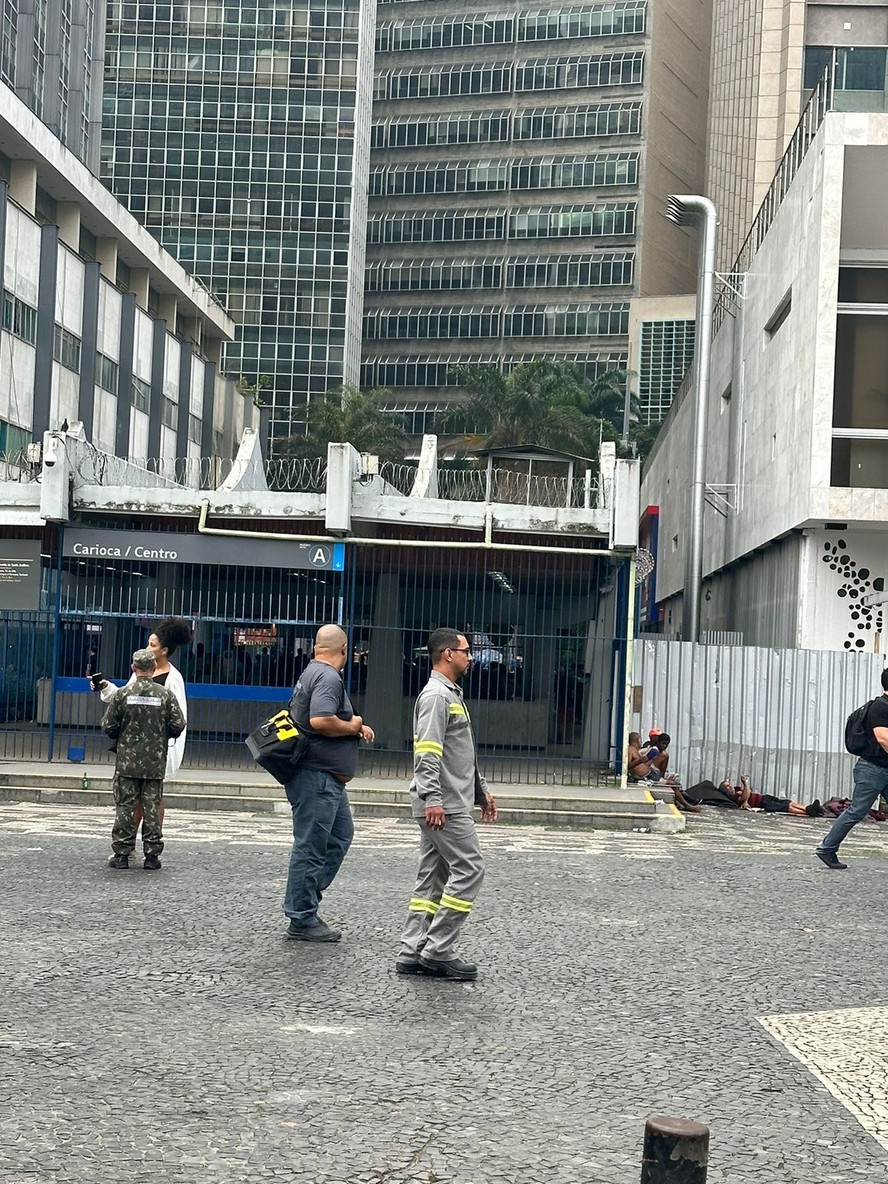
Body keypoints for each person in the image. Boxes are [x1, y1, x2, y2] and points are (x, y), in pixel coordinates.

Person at [396, 628, 498, 982]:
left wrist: (480, 791)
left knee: (432, 877)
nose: (471, 657)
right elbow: (427, 752)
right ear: (447, 654)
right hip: (445, 804)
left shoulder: (449, 694)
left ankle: (412, 950)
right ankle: (438, 951)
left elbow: (460, 753)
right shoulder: (437, 696)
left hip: (449, 799)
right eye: (466, 651)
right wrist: (433, 799)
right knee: (470, 870)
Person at [282, 623, 375, 942]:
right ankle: (302, 915)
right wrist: (354, 725)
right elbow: (320, 720)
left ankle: (303, 902)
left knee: (339, 837)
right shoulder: (328, 676)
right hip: (317, 777)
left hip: (324, 777)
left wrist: (353, 728)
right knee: (311, 845)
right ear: (345, 649)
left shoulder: (312, 671)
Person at [102, 648, 186, 870]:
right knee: (151, 808)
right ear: (153, 668)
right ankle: (152, 856)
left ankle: (121, 854)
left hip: (127, 762)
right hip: (154, 762)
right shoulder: (165, 695)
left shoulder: (122, 695)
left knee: (125, 807)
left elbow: (108, 725)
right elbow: (179, 724)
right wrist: (163, 734)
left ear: (133, 668)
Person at [815, 669, 888, 869]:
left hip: (883, 768)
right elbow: (883, 738)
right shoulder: (880, 707)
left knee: (856, 811)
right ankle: (827, 848)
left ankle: (827, 848)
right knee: (856, 811)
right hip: (873, 769)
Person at [643, 732, 702, 813]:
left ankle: (681, 802)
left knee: (674, 781)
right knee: (672, 784)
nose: (664, 746)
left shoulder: (653, 749)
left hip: (652, 775)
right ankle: (687, 805)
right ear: (658, 742)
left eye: (666, 744)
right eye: (663, 743)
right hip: (651, 776)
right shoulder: (661, 754)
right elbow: (660, 772)